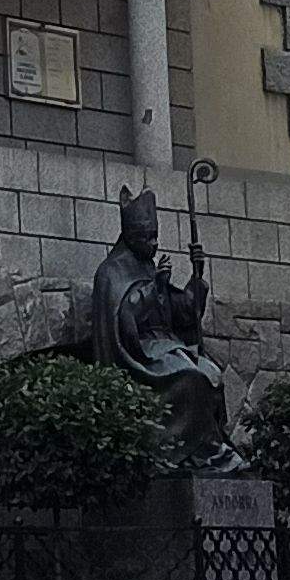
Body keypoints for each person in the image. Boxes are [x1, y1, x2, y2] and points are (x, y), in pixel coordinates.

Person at [83, 187, 235, 463]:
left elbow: (183, 314)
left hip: (168, 346)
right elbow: (125, 321)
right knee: (192, 378)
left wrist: (196, 276)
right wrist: (156, 287)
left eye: (156, 237)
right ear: (130, 236)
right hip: (141, 354)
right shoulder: (111, 272)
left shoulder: (150, 267)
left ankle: (209, 446)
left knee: (212, 373)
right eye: (147, 238)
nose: (154, 244)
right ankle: (186, 450)